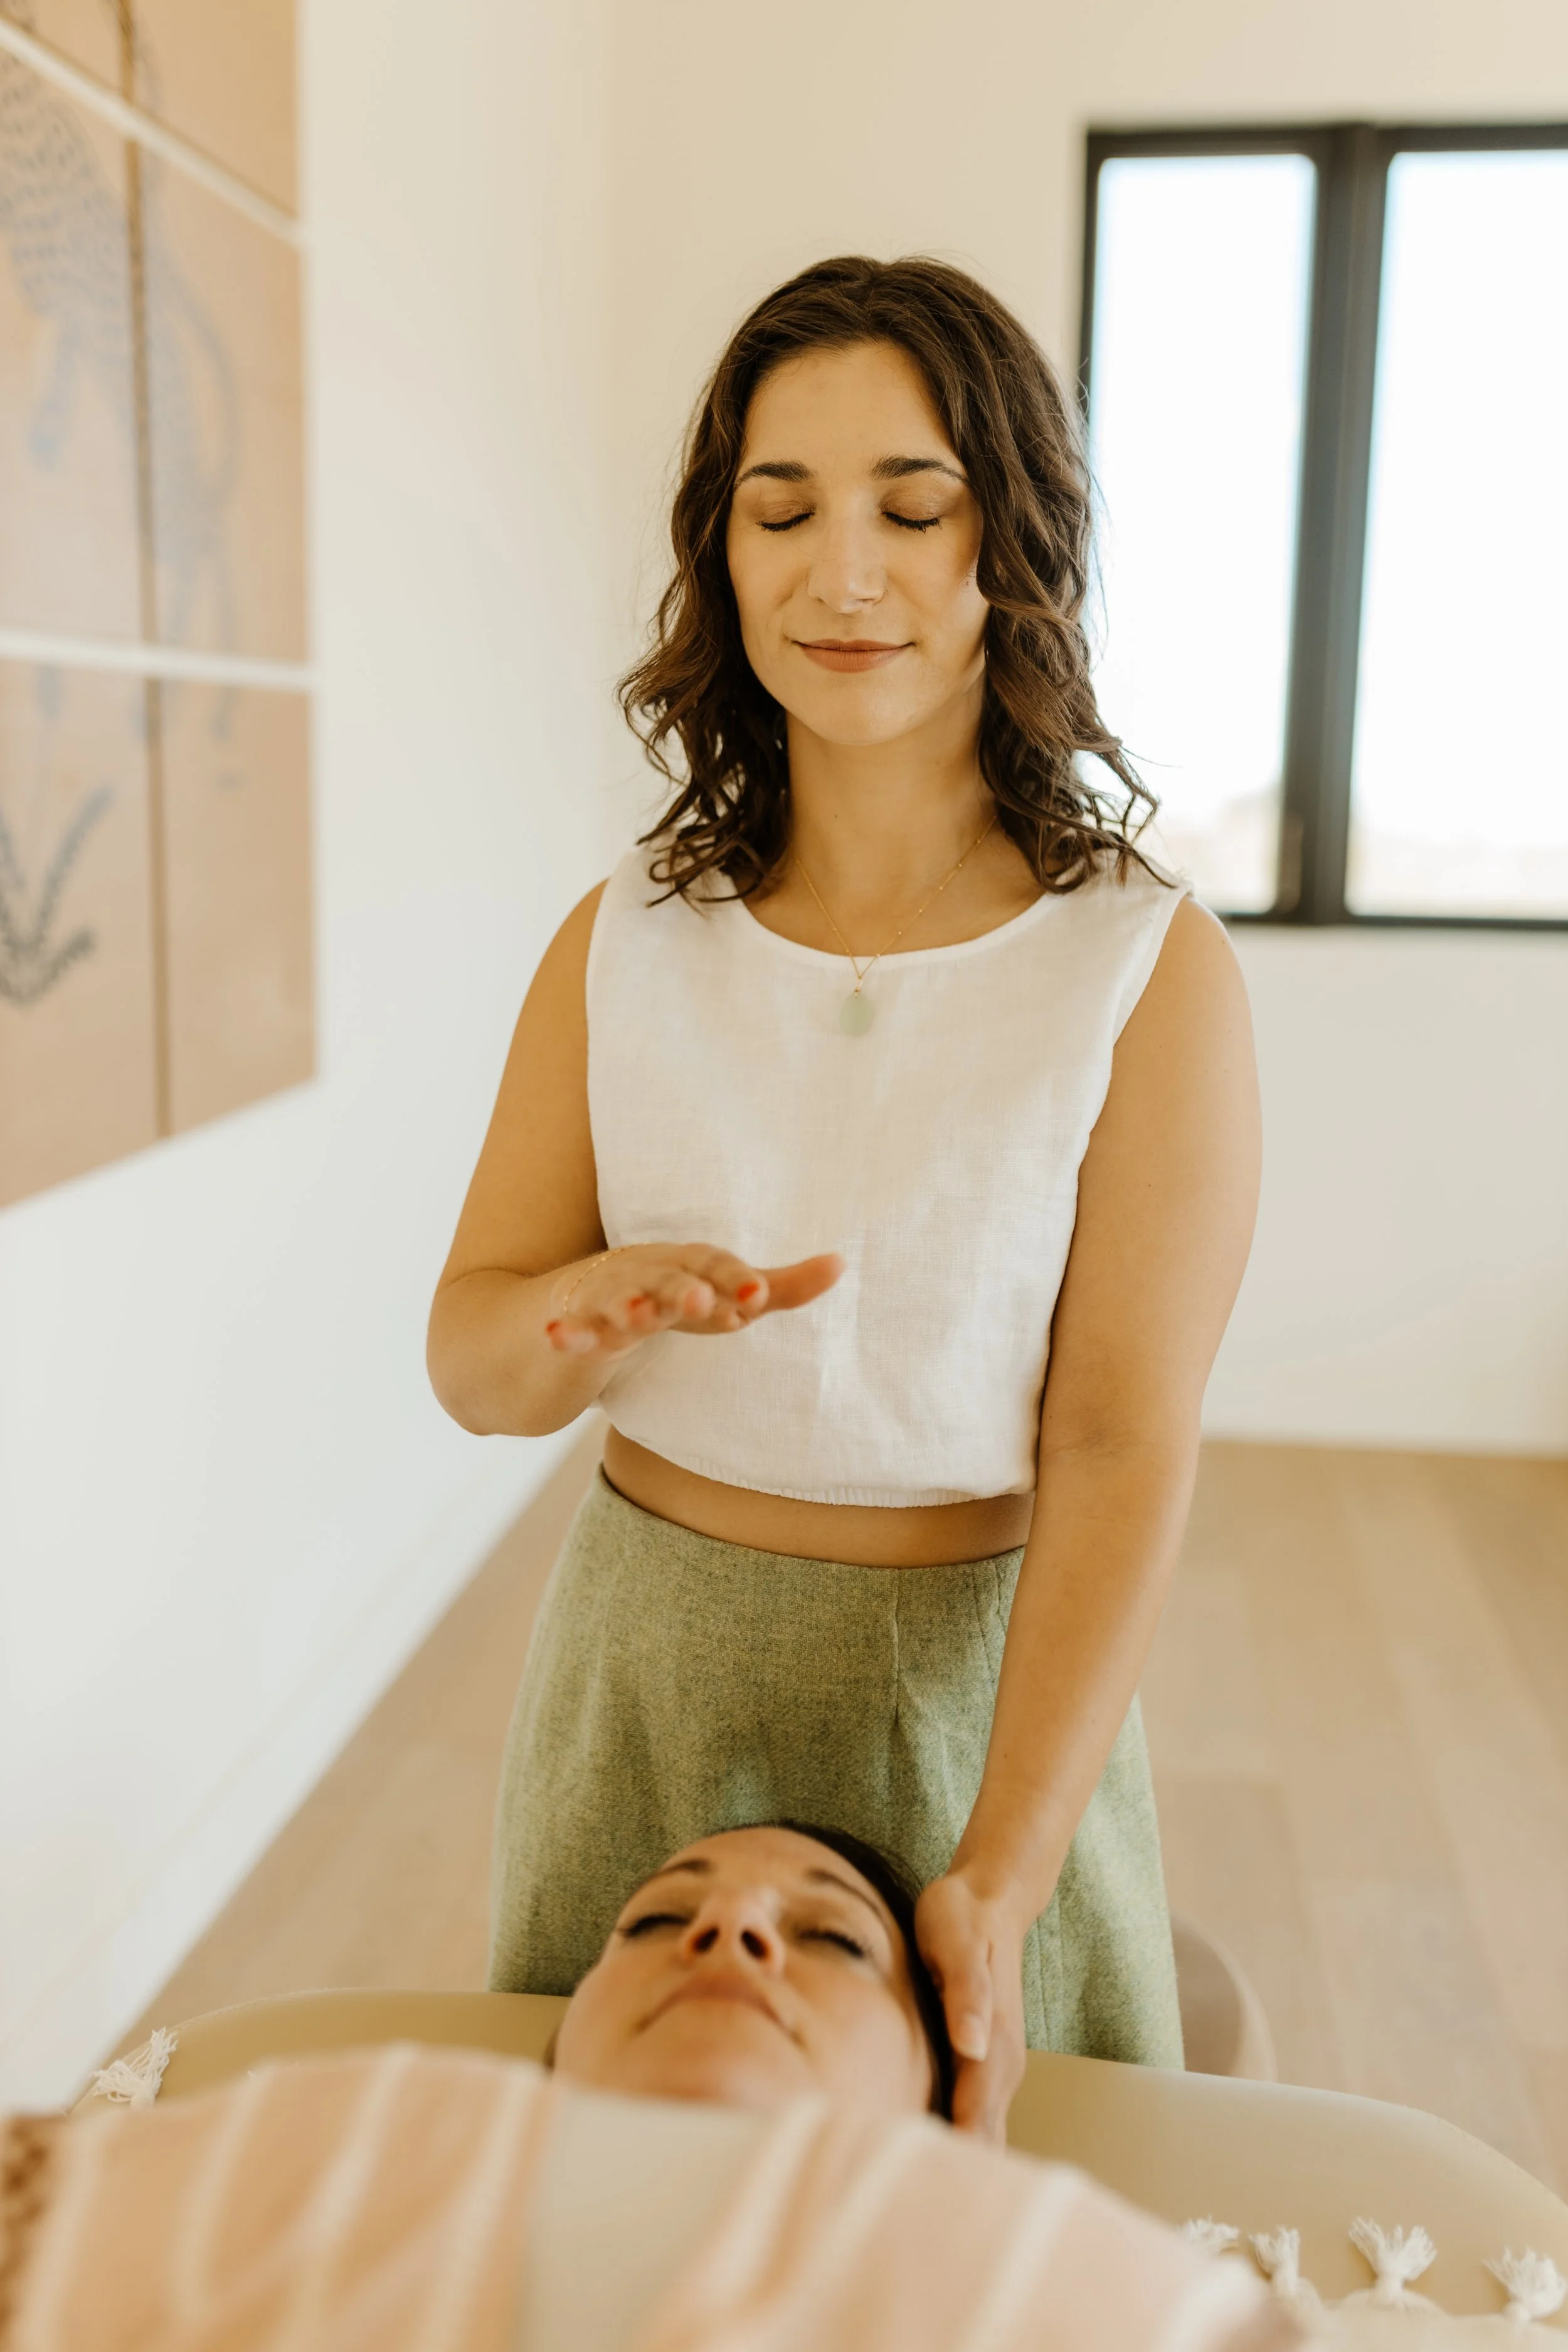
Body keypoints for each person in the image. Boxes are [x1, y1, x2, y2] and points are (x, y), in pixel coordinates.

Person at [426, 254, 1262, 2136]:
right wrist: (589, 1309)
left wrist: (1013, 1860)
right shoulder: (620, 944)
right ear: (719, 555)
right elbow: (473, 1361)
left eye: (913, 503)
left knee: (1000, 2253)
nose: (843, 569)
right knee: (619, 2237)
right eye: (778, 507)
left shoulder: (1144, 967)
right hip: (642, 1676)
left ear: (1012, 547)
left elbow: (1123, 1443)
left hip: (973, 1699)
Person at [2, 1828, 1298, 2352]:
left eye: (834, 1941)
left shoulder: (1048, 2274)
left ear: (942, 2095)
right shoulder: (329, 2143)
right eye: (654, 1920)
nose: (725, 1926)